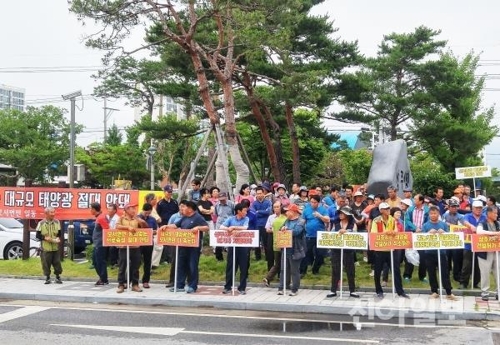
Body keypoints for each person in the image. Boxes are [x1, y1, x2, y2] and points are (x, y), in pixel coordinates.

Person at [161, 201, 209, 293]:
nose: (182, 209)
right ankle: (179, 285)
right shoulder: (184, 217)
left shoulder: (198, 217)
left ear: (190, 209)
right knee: (181, 265)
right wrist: (166, 226)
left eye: (184, 207)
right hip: (183, 245)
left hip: (194, 247)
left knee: (192, 266)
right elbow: (175, 225)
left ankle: (192, 286)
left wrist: (198, 228)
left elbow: (206, 227)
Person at [370, 202, 409, 299]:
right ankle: (379, 291)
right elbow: (373, 234)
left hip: (392, 249)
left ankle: (400, 291)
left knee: (396, 270)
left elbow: (396, 230)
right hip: (380, 249)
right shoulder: (376, 220)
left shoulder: (392, 219)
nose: (388, 209)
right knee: (378, 271)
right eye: (385, 208)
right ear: (381, 211)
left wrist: (393, 232)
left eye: (388, 208)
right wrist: (386, 233)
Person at [421, 206, 458, 301]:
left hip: (441, 252)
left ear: (439, 214)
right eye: (431, 214)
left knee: (444, 272)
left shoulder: (443, 224)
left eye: (435, 213)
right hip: (429, 252)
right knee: (431, 272)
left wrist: (444, 232)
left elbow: (449, 237)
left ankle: (449, 292)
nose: (433, 215)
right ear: (429, 215)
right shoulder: (425, 225)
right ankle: (434, 291)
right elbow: (420, 237)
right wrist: (428, 233)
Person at [326, 206, 359, 298]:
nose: (340, 215)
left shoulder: (353, 224)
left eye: (342, 213)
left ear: (347, 215)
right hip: (336, 250)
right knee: (335, 269)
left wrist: (347, 232)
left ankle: (352, 290)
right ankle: (333, 290)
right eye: (339, 213)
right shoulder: (336, 224)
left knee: (350, 270)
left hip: (348, 251)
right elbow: (331, 235)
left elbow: (355, 235)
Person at [115, 203, 148, 293]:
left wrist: (142, 222)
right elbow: (117, 226)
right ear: (126, 210)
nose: (133, 210)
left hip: (135, 245)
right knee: (122, 265)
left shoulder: (137, 219)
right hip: (124, 246)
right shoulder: (121, 218)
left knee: (135, 266)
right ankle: (121, 285)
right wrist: (128, 227)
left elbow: (145, 228)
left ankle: (135, 284)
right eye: (131, 208)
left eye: (134, 208)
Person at [221, 203, 250, 294]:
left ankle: (242, 288)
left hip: (243, 246)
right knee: (230, 266)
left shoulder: (246, 218)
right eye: (244, 210)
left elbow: (245, 227)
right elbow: (221, 227)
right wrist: (228, 229)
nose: (246, 212)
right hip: (232, 245)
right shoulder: (231, 219)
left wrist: (234, 227)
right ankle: (227, 287)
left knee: (243, 267)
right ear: (239, 211)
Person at [278, 204, 306, 296]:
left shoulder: (301, 221)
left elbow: (297, 232)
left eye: (288, 211)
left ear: (294, 212)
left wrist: (287, 229)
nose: (286, 213)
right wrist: (282, 228)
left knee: (294, 270)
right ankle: (282, 287)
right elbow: (280, 229)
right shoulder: (287, 220)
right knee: (283, 269)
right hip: (285, 247)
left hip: (296, 249)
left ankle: (295, 289)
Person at [300, 194, 330, 276]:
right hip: (309, 235)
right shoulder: (306, 210)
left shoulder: (323, 210)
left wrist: (320, 216)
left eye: (315, 202)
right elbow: (302, 221)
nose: (313, 204)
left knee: (320, 254)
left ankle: (315, 270)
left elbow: (327, 220)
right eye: (311, 202)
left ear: (318, 203)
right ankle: (303, 271)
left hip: (320, 235)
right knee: (306, 253)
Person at [460, 200, 486, 289]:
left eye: (480, 208)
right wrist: (470, 226)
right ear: (473, 208)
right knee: (466, 264)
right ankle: (463, 283)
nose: (479, 210)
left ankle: (476, 282)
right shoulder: (467, 215)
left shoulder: (484, 217)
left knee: (478, 265)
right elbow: (465, 222)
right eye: (477, 208)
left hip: (480, 244)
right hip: (469, 244)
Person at [476, 206, 500, 301]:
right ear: (489, 214)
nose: (496, 215)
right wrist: (494, 234)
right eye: (495, 213)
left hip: (497, 252)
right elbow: (479, 232)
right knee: (485, 273)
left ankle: (498, 292)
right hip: (484, 252)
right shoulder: (482, 223)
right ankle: (485, 293)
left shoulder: (498, 223)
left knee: (498, 273)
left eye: (497, 213)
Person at [403, 194, 429, 283]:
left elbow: (429, 221)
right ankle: (407, 275)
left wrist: (422, 229)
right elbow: (407, 220)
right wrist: (415, 228)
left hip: (422, 235)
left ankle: (422, 276)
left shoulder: (427, 210)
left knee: (423, 256)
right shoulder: (410, 209)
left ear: (421, 201)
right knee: (409, 254)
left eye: (415, 199)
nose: (413, 200)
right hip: (412, 234)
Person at [263, 201, 287, 286]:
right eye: (274, 207)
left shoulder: (285, 217)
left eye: (277, 207)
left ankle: (269, 278)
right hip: (277, 241)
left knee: (279, 263)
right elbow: (267, 229)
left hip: (280, 242)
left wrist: (273, 230)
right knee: (279, 262)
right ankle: (277, 280)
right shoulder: (273, 218)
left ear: (281, 207)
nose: (276, 208)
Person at [36, 207, 63, 284]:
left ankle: (57, 277)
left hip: (55, 247)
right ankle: (47, 278)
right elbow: (37, 235)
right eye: (51, 212)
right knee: (46, 263)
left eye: (54, 212)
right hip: (46, 248)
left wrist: (57, 238)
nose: (53, 214)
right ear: (46, 213)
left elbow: (59, 233)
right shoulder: (41, 223)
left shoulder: (57, 222)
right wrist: (44, 238)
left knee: (57, 263)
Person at [442, 198, 465, 283]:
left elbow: (461, 228)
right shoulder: (445, 215)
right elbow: (443, 225)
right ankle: (446, 275)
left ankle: (457, 276)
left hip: (457, 240)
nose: (454, 208)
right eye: (452, 206)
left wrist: (449, 225)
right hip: (447, 239)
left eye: (456, 206)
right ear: (449, 207)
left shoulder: (461, 217)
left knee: (457, 259)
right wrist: (450, 225)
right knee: (447, 258)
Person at [156, 184, 179, 265]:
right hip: (164, 225)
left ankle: (171, 259)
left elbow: (177, 213)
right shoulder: (160, 203)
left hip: (173, 225)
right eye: (168, 192)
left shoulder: (175, 202)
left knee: (172, 242)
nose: (170, 193)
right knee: (164, 243)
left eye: (171, 192)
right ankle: (164, 259)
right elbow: (158, 214)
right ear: (164, 192)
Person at [138, 203, 158, 289]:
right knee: (136, 262)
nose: (147, 214)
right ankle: (133, 280)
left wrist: (152, 231)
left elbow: (155, 230)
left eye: (149, 213)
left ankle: (146, 281)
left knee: (147, 262)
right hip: (138, 243)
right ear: (143, 210)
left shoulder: (152, 219)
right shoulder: (136, 218)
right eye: (146, 213)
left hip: (149, 242)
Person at [250, 186, 272, 262]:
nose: (259, 195)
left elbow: (269, 212)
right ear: (256, 194)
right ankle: (258, 257)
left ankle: (267, 257)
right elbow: (254, 214)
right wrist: (263, 212)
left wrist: (258, 211)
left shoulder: (268, 202)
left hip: (266, 224)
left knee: (266, 242)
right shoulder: (254, 203)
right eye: (257, 193)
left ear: (263, 193)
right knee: (257, 242)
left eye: (260, 193)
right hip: (257, 224)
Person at [90, 202, 109, 286]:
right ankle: (102, 278)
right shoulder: (99, 217)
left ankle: (103, 279)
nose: (90, 210)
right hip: (97, 244)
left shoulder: (101, 218)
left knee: (100, 262)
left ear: (94, 209)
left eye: (91, 209)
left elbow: (107, 229)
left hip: (101, 244)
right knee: (95, 261)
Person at [214, 192, 235, 261]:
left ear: (226, 197)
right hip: (219, 223)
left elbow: (234, 214)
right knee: (218, 240)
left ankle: (231, 257)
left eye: (223, 199)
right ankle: (219, 258)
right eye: (220, 200)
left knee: (230, 240)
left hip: (229, 224)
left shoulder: (231, 204)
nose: (222, 201)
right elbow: (216, 214)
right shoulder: (217, 205)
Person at [106, 203, 120, 268]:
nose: (108, 210)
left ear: (114, 211)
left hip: (114, 236)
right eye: (108, 209)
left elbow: (116, 229)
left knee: (112, 247)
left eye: (110, 209)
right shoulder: (106, 217)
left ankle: (114, 263)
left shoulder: (117, 218)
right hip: (106, 236)